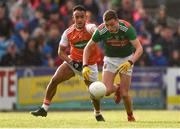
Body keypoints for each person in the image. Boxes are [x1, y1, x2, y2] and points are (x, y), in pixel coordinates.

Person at [30, 5, 105, 122]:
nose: (79, 19)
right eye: (77, 17)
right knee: (54, 80)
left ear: (86, 18)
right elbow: (60, 52)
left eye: (82, 17)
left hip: (89, 65)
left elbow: (94, 29)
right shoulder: (68, 32)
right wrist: (72, 62)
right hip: (73, 62)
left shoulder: (90, 27)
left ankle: (97, 113)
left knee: (93, 92)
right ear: (73, 18)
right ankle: (44, 108)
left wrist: (96, 32)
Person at [82, 10, 143, 122]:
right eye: (107, 25)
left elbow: (139, 49)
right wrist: (84, 65)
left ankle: (130, 116)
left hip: (127, 59)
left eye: (112, 24)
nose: (110, 28)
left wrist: (130, 62)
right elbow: (87, 48)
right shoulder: (101, 30)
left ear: (117, 21)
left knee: (125, 94)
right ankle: (117, 88)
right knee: (107, 91)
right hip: (110, 60)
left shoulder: (127, 28)